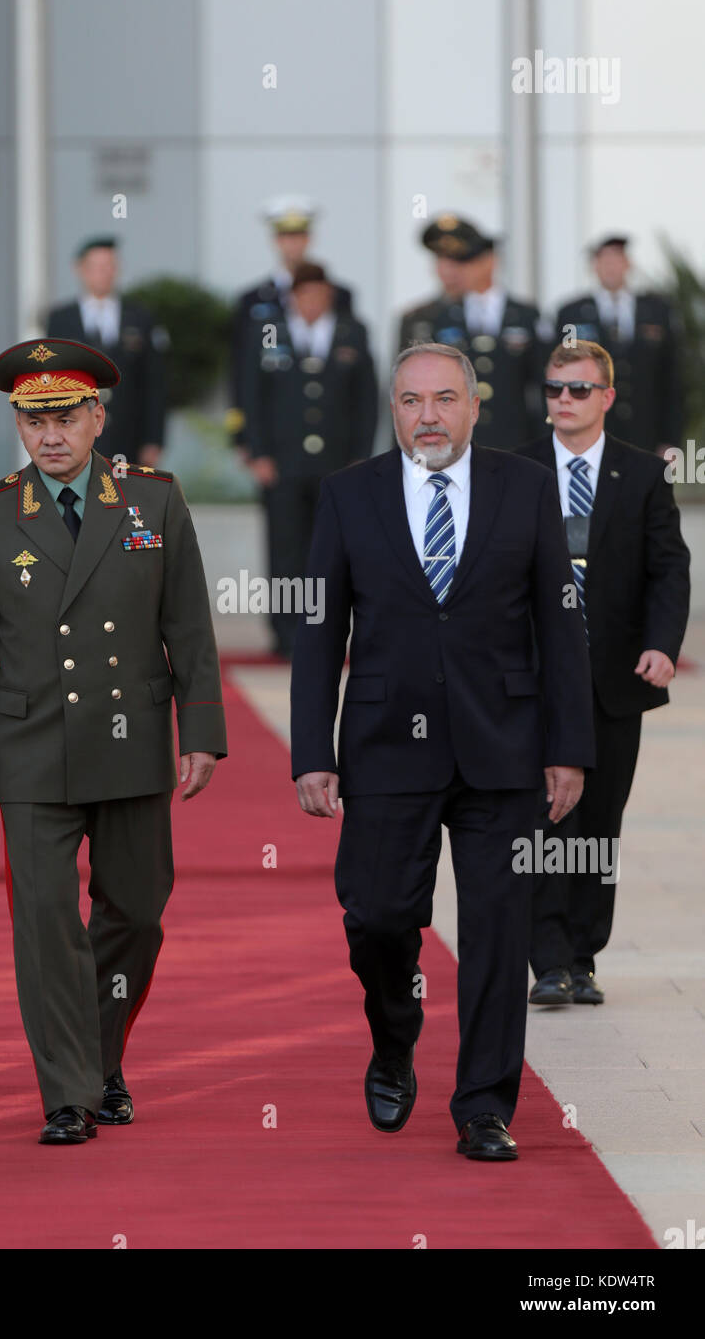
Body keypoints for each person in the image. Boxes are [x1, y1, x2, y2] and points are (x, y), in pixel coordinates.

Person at [290, 342, 594, 1160]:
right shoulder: (348, 495)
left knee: (498, 929)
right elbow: (320, 632)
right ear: (392, 410)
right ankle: (394, 1038)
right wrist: (310, 751)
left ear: (473, 405)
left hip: (505, 746)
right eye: (411, 402)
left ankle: (483, 1107)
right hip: (386, 747)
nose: (428, 416)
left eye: (444, 399)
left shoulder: (525, 489)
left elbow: (560, 625)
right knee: (379, 915)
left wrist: (568, 747)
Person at [0, 337, 226, 1145]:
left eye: (66, 416)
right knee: (43, 922)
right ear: (19, 429)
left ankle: (99, 1058)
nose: (51, 435)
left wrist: (199, 730)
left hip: (130, 738)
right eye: (34, 421)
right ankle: (67, 1091)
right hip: (30, 744)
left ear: (99, 416)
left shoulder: (152, 500)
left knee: (135, 913)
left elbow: (189, 627)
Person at [517, 340, 690, 1006]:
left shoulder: (642, 474)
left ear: (606, 398)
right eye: (554, 389)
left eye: (578, 389)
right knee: (541, 818)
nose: (563, 400)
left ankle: (582, 956)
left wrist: (661, 643)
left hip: (614, 679)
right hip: (531, 679)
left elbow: (668, 569)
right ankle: (548, 957)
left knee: (597, 823)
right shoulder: (515, 469)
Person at [242, 261, 377, 658]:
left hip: (337, 463)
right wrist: (259, 453)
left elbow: (366, 400)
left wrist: (360, 457)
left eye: (319, 294)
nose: (312, 302)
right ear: (293, 298)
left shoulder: (353, 331)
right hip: (283, 463)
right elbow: (252, 396)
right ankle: (286, 635)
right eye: (304, 295)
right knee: (285, 549)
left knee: (334, 552)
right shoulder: (268, 333)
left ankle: (329, 632)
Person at [398, 214, 548, 450]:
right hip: (454, 445)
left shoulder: (526, 315)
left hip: (515, 442)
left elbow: (542, 385)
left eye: (463, 261)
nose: (452, 271)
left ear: (489, 261)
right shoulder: (433, 318)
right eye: (446, 261)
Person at [227, 196, 353, 454]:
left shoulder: (339, 296)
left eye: (299, 236)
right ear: (275, 241)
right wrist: (242, 435)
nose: (293, 244)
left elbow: (350, 368)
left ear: (310, 239)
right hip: (276, 434)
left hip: (331, 434)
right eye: (286, 236)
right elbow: (242, 370)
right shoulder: (252, 300)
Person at [46, 236, 168, 467]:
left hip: (129, 437)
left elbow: (154, 382)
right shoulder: (60, 320)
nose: (105, 273)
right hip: (76, 436)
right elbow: (53, 380)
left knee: (127, 499)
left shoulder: (140, 317)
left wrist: (155, 439)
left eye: (110, 266)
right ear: (80, 269)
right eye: (97, 267)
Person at [555, 235, 683, 454]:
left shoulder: (656, 310)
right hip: (592, 431)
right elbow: (562, 376)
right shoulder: (572, 313)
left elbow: (671, 378)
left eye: (616, 260)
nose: (611, 268)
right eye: (604, 261)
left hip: (645, 431)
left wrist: (670, 439)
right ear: (594, 267)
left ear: (628, 264)